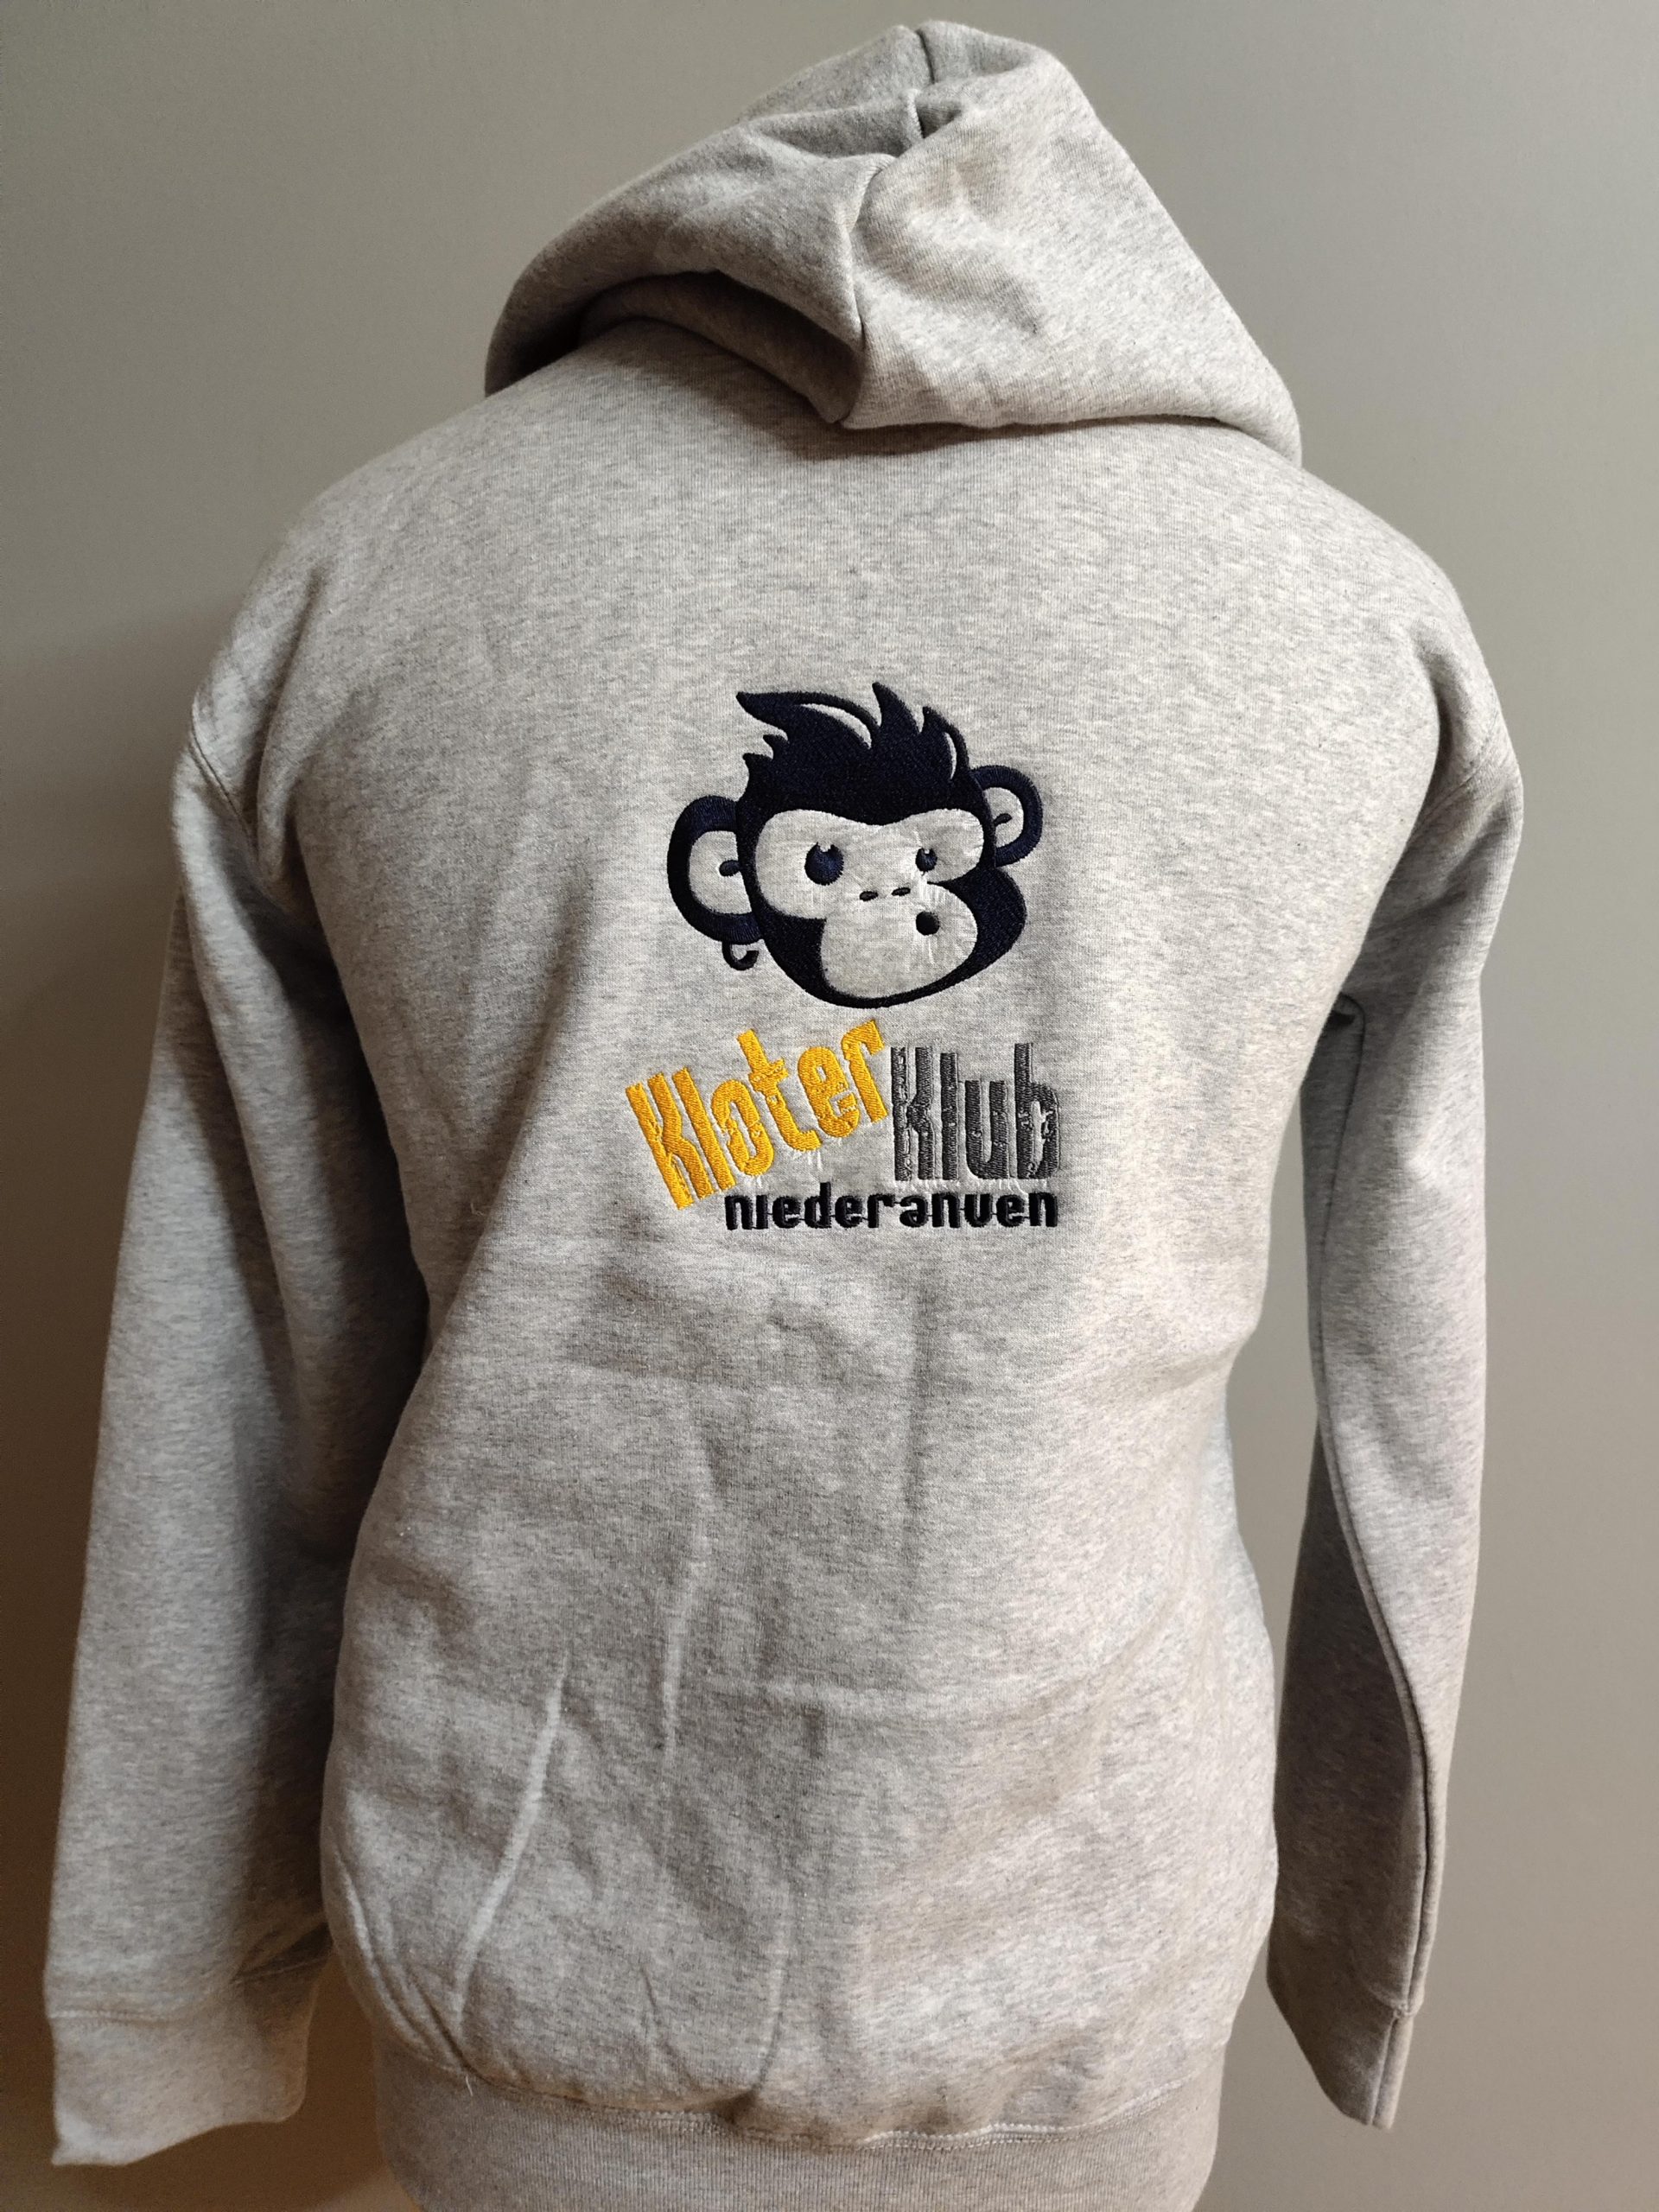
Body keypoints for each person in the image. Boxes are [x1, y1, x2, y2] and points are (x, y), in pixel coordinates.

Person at [46, 21, 1522, 2212]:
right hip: (994, 1971)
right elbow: (242, 1352)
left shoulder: (375, 570)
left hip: (610, 1944)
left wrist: (179, 1973)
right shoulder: (1354, 610)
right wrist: (1344, 1943)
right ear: (750, 876)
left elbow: (249, 1373)